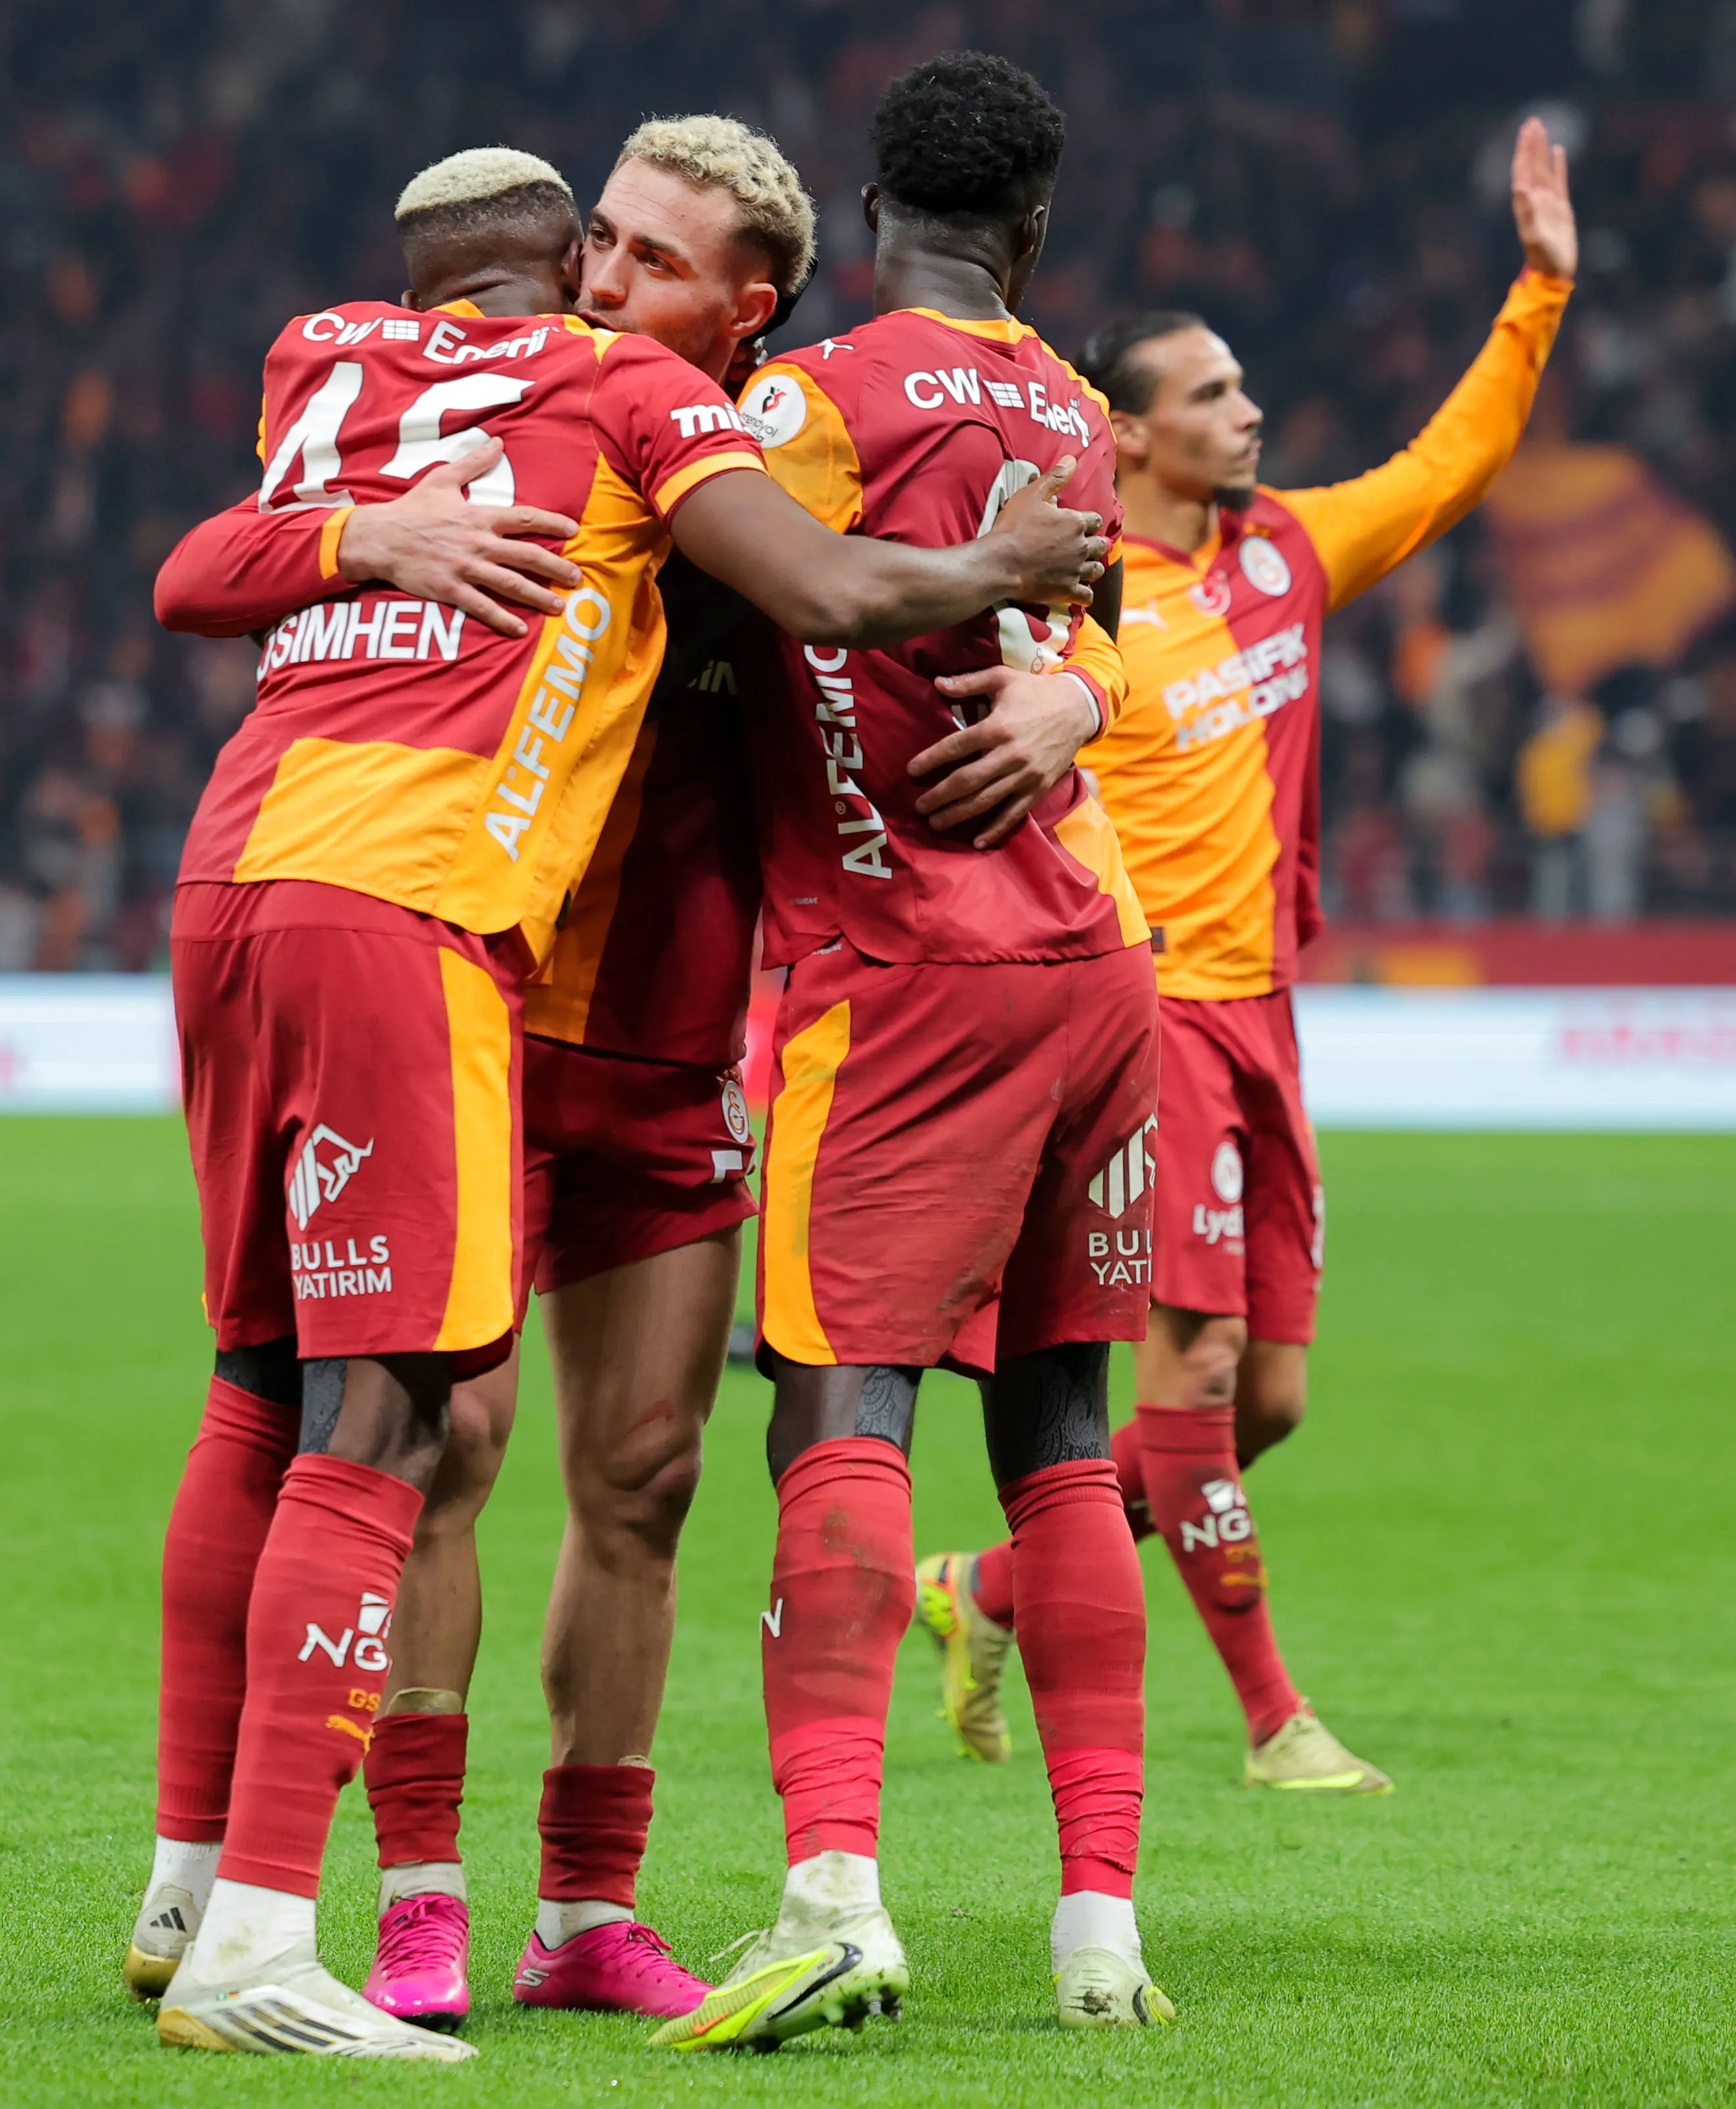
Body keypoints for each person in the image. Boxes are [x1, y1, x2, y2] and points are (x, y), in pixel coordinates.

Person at [136, 144, 1108, 2062]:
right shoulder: (546, 418)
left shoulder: (755, 446)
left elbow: (988, 594)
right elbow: (219, 563)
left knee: (642, 1474)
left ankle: (586, 1906)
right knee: (424, 1434)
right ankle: (406, 1905)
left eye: (654, 257)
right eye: (599, 240)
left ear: (748, 306)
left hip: (660, 1027)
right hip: (466, 980)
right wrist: (369, 538)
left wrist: (1078, 680)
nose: (606, 275)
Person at [914, 116, 1577, 1796]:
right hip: (1160, 1021)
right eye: (1209, 395)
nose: (1247, 411)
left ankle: (975, 1587)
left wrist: (1537, 297)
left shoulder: (1282, 549)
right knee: (1192, 1370)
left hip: (1272, 1016)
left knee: (1264, 1397)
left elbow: (1441, 474)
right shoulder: (1076, 597)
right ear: (1124, 430)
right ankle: (1275, 1720)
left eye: (1242, 387)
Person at [654, 50, 1173, 2051]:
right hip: (1095, 970)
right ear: (1033, 232)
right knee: (1060, 1429)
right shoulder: (1065, 402)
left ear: (870, 217)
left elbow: (748, 600)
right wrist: (1082, 705)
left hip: (905, 979)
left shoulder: (813, 399)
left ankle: (832, 1896)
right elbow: (1094, 633)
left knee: (838, 1409)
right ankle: (1100, 1935)